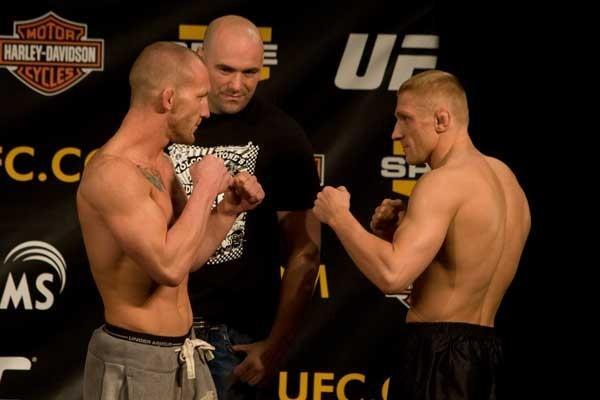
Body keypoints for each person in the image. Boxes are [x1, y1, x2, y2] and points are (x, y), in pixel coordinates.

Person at [313, 70, 530, 399]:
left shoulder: (442, 182)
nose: (395, 133)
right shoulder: (507, 180)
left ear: (442, 119)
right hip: (484, 357)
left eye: (405, 119)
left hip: (437, 355)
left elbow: (393, 275)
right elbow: (454, 273)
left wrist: (339, 216)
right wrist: (392, 238)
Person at [77, 41, 265, 400]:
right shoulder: (112, 174)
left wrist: (227, 211)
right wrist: (206, 188)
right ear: (168, 99)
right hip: (135, 356)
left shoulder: (160, 164)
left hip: (181, 353)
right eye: (199, 97)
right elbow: (167, 267)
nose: (206, 112)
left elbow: (186, 257)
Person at [167, 15, 321, 400]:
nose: (238, 85)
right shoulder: (165, 124)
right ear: (199, 57)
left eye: (250, 72)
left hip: (234, 343)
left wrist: (275, 345)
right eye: (225, 70)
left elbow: (305, 250)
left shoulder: (282, 135)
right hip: (157, 332)